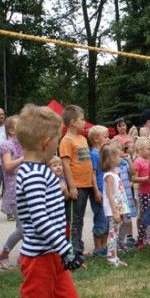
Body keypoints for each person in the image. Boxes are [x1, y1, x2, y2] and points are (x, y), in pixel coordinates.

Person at [5, 104, 104, 298]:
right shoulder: (33, 175)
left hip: (54, 258)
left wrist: (62, 252)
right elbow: (40, 221)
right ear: (46, 142)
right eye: (57, 141)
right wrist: (67, 249)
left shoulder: (40, 171)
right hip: (40, 261)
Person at [59, 105, 93, 255]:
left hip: (86, 185)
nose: (84, 122)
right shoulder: (66, 140)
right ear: (73, 122)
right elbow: (66, 165)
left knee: (80, 218)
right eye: (82, 119)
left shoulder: (83, 139)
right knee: (73, 219)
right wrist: (72, 187)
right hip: (76, 186)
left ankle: (78, 245)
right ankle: (72, 249)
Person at [0, 115, 25, 269]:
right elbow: (8, 166)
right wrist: (23, 158)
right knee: (23, 228)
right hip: (15, 191)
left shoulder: (25, 144)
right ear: (11, 130)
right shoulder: (6, 145)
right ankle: (3, 254)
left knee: (26, 226)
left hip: (27, 188)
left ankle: (24, 257)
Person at [101, 143, 130, 267]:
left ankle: (114, 255)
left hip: (118, 208)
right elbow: (110, 194)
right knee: (113, 233)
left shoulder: (114, 173)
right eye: (118, 156)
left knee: (115, 232)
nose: (121, 158)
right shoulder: (109, 176)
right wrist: (115, 211)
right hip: (114, 210)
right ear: (112, 158)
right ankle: (112, 258)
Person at [88, 125, 110, 256]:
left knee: (106, 219)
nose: (108, 139)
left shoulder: (103, 154)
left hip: (107, 192)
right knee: (100, 219)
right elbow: (92, 173)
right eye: (106, 137)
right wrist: (96, 191)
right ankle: (98, 249)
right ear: (96, 139)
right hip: (99, 192)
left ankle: (104, 247)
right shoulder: (94, 154)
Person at [132, 137, 150, 250]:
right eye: (148, 149)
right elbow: (133, 178)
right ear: (140, 150)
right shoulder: (138, 161)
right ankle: (140, 239)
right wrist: (146, 178)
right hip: (144, 193)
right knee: (145, 216)